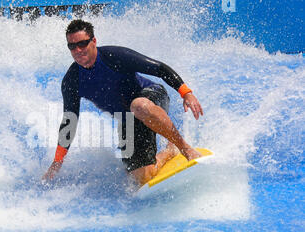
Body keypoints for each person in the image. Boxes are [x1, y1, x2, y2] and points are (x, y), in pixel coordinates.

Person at [42, 19, 203, 186]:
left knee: (138, 105)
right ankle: (170, 151)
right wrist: (57, 161)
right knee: (140, 179)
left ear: (94, 41)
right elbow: (70, 120)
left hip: (151, 98)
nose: (78, 50)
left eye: (82, 43)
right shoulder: (72, 80)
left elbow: (159, 68)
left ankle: (186, 148)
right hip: (128, 120)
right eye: (72, 46)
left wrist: (186, 93)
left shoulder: (114, 56)